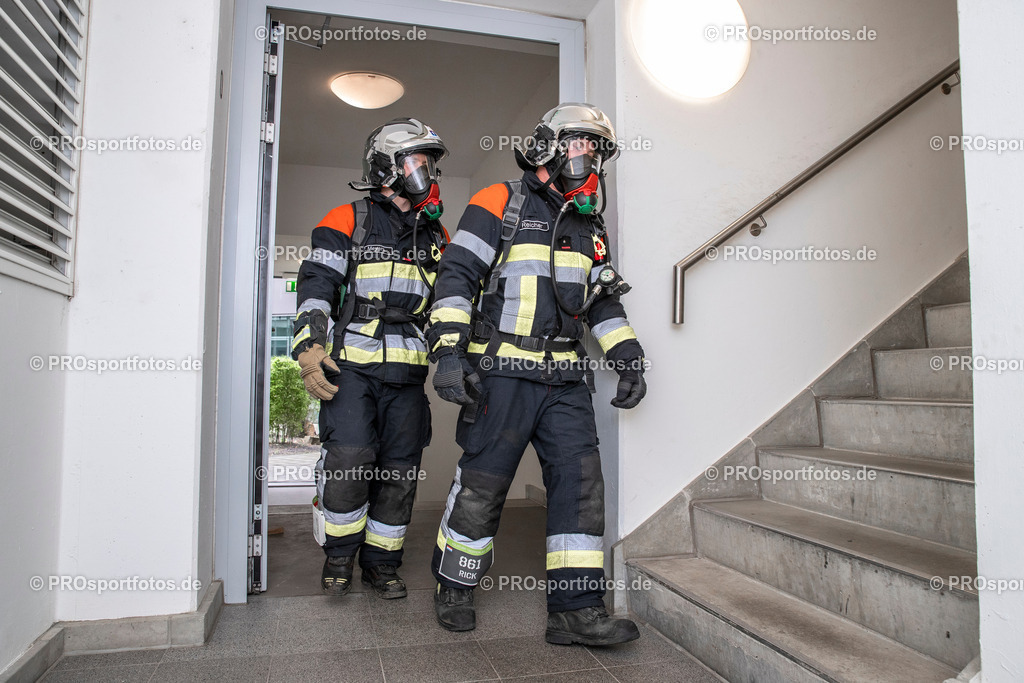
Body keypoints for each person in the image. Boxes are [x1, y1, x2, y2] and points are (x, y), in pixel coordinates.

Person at [425, 103, 647, 644]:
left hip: (566, 380)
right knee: (484, 484)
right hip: (502, 372)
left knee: (580, 487)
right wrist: (449, 350)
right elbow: (456, 274)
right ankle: (455, 585)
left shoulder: (589, 225)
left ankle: (574, 611)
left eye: (596, 148)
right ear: (548, 144)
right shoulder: (498, 200)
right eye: (580, 143)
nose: (588, 156)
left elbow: (599, 303)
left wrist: (628, 356)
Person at [292, 118, 449, 599]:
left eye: (432, 164)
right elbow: (317, 283)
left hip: (407, 373)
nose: (429, 172)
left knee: (399, 474)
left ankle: (382, 564)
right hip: (352, 369)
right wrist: (308, 346)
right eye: (419, 161)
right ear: (388, 165)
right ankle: (339, 557)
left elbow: (451, 299)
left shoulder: (436, 233)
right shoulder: (348, 217)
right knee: (350, 463)